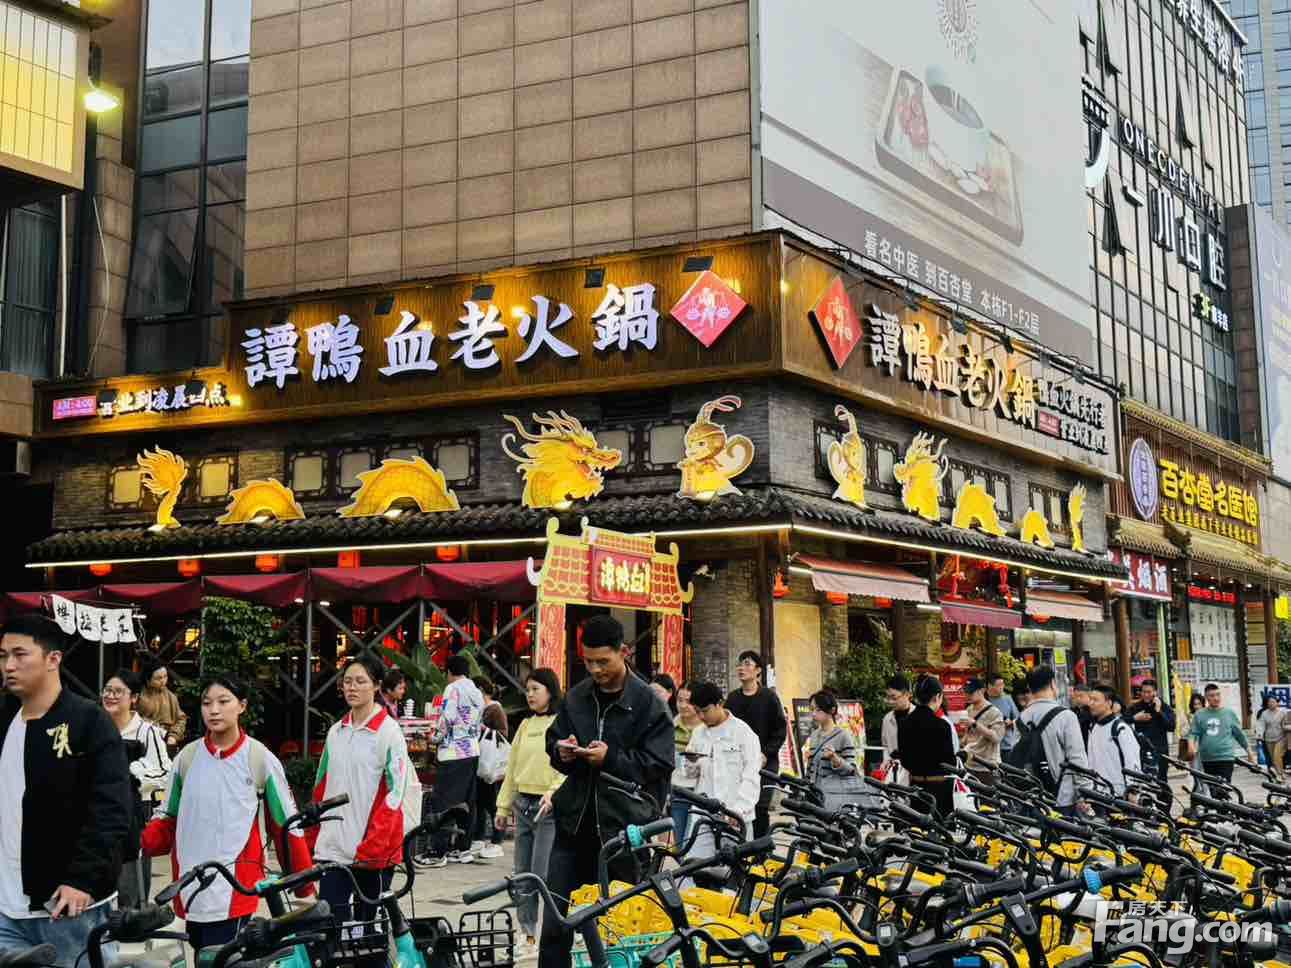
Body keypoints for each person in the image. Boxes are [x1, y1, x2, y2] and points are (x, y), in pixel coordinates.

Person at [540, 615, 673, 968]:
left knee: (619, 926)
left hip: (623, 833)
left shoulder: (649, 704)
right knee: (556, 921)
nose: (595, 670)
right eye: (588, 662)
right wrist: (562, 751)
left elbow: (660, 765)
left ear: (623, 652)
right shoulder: (577, 697)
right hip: (573, 827)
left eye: (603, 661)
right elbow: (554, 740)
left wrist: (610, 759)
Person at [143, 675, 313, 952]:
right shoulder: (187, 758)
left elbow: (286, 825)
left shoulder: (259, 758)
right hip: (191, 886)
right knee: (202, 956)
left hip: (236, 889)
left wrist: (303, 886)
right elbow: (167, 817)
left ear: (242, 706)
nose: (214, 710)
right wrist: (136, 840)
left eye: (223, 702)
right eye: (207, 703)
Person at [0, 615, 132, 968]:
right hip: (6, 908)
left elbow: (112, 809)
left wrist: (81, 880)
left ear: (53, 659)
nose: (9, 666)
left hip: (69, 907)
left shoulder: (89, 721)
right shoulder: (6, 720)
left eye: (19, 654)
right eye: (3, 656)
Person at [310, 655, 410, 926]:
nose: (352, 687)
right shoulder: (336, 732)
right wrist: (313, 834)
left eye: (360, 681)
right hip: (333, 850)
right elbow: (321, 786)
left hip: (371, 852)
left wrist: (372, 846)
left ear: (376, 686)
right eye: (347, 682)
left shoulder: (389, 733)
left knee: (368, 932)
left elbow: (395, 795)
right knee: (331, 926)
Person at [496, 669, 563, 953]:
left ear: (550, 691)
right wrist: (502, 806)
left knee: (542, 874)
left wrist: (554, 792)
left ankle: (557, 932)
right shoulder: (524, 725)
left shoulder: (561, 723)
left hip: (548, 809)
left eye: (536, 689)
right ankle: (528, 936)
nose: (530, 694)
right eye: (528, 689)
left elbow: (568, 767)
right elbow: (512, 769)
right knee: (522, 875)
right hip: (522, 805)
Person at [101, 669, 171, 909]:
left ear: (133, 698)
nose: (110, 696)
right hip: (100, 810)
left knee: (130, 879)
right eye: (107, 690)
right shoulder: (96, 727)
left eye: (118, 691)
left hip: (134, 812)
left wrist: (133, 776)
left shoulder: (146, 732)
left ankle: (131, 915)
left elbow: (165, 773)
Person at [682, 682, 761, 865]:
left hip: (734, 816)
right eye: (697, 712)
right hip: (703, 816)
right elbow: (691, 776)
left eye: (705, 711)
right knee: (694, 867)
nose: (701, 716)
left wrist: (738, 810)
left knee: (736, 871)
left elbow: (751, 777)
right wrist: (691, 761)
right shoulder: (698, 733)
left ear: (719, 703)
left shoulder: (743, 733)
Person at [427, 655, 484, 866]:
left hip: (452, 753)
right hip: (471, 751)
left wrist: (434, 738)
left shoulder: (452, 689)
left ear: (449, 672)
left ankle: (438, 852)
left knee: (443, 801)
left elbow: (447, 719)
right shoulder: (476, 692)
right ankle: (463, 849)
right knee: (467, 802)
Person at [724, 651, 787, 838]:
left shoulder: (769, 697)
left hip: (764, 764)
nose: (741, 668)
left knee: (760, 808)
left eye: (747, 664)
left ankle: (761, 849)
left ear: (758, 670)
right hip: (738, 762)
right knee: (737, 807)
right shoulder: (732, 699)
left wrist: (766, 754)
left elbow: (780, 731)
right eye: (739, 664)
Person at [1020, 666, 1090, 816]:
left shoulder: (1021, 718)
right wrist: (1085, 793)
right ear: (1052, 683)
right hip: (1062, 797)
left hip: (1032, 797)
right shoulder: (1066, 716)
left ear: (1030, 689)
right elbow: (1077, 759)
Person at [896, 676, 956, 816]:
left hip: (915, 788)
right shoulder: (942, 725)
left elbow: (904, 760)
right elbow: (950, 763)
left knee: (916, 826)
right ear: (937, 697)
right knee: (939, 827)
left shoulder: (904, 723)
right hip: (939, 790)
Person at [802, 689, 865, 812]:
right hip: (813, 795)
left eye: (818, 710)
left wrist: (834, 758)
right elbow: (810, 769)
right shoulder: (814, 735)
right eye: (812, 709)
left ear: (831, 710)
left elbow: (851, 770)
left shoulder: (843, 736)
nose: (813, 714)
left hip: (834, 797)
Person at [1188, 683, 1253, 797]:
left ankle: (1225, 807)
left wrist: (1249, 752)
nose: (1216, 698)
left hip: (1225, 757)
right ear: (1206, 698)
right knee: (1213, 791)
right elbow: (1193, 733)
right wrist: (1191, 746)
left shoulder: (1229, 713)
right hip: (1207, 759)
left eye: (1218, 695)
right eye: (1212, 695)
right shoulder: (1199, 715)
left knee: (1223, 789)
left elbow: (1239, 735)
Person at [471, 676, 508, 861]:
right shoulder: (480, 708)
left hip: (491, 764)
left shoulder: (495, 709)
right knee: (479, 802)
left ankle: (497, 840)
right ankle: (478, 838)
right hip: (481, 763)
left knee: (493, 804)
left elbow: (503, 734)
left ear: (480, 690)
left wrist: (484, 729)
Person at [1087, 684, 1141, 798]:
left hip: (1121, 795)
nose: (1090, 703)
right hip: (1100, 794)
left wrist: (1133, 791)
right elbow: (1091, 762)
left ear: (1108, 703)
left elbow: (1132, 762)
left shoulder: (1120, 728)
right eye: (1090, 699)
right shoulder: (1093, 729)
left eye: (1095, 700)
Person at [1124, 679, 1176, 783]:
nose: (1146, 695)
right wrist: (1135, 718)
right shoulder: (1135, 707)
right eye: (1143, 692)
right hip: (1141, 750)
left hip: (1160, 750)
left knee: (1161, 781)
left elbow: (1171, 726)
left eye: (1149, 692)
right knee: (1144, 781)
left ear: (1155, 692)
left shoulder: (1164, 707)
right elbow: (1122, 720)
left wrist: (1159, 711)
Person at [669, 682, 702, 843]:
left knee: (698, 840)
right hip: (678, 790)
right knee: (680, 842)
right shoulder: (670, 726)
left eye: (688, 701)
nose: (682, 705)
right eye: (679, 700)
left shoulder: (707, 729)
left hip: (702, 792)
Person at [959, 677, 1006, 774]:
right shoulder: (969, 709)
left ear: (982, 691)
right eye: (965, 692)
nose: (967, 695)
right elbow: (969, 734)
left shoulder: (994, 712)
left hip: (987, 766)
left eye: (970, 692)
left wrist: (975, 724)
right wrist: (963, 740)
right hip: (969, 763)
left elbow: (997, 737)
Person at [138, 664, 187, 753]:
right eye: (158, 678)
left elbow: (181, 719)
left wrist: (173, 736)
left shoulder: (171, 696)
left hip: (166, 739)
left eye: (165, 676)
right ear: (148, 680)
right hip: (142, 739)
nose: (163, 681)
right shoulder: (138, 695)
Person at [880, 674, 912, 780]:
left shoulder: (921, 717)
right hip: (893, 774)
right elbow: (885, 746)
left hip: (915, 776)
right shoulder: (887, 719)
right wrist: (886, 761)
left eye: (894, 698)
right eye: (888, 697)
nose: (890, 701)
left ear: (907, 695)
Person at [1256, 693, 1290, 779]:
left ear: (1277, 702)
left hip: (1281, 737)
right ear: (1267, 704)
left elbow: (1288, 722)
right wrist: (1259, 734)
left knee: (1277, 756)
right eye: (1269, 702)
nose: (1272, 704)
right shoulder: (1264, 713)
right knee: (1273, 758)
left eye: (1273, 702)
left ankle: (1280, 774)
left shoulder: (1283, 712)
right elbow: (1261, 725)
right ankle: (1279, 774)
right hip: (1269, 739)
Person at [986, 674, 1021, 757]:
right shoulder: (984, 699)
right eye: (999, 685)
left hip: (1006, 745)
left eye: (1002, 684)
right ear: (990, 686)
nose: (1002, 687)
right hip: (988, 745)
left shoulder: (1007, 698)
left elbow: (1018, 718)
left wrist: (1011, 723)